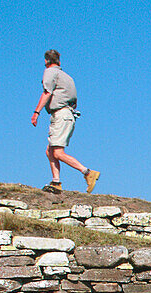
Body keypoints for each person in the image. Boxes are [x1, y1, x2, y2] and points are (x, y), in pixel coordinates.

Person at [31, 49, 100, 194]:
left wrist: (36, 112)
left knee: (57, 152)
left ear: (46, 61)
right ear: (59, 61)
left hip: (61, 114)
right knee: (50, 150)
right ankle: (56, 182)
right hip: (68, 114)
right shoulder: (67, 77)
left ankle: (87, 172)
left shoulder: (50, 73)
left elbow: (47, 92)